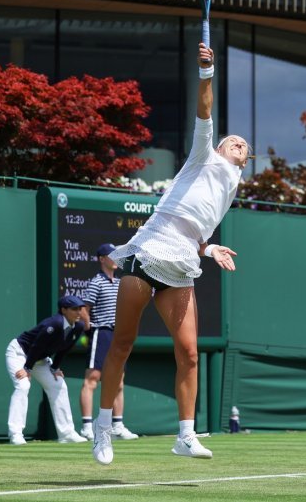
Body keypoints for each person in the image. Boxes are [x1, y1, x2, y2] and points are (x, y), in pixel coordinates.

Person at [92, 44, 250, 465]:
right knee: (122, 343)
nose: (235, 141)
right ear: (217, 149)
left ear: (243, 163)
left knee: (190, 353)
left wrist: (210, 246)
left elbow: (195, 229)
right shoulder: (204, 156)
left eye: (242, 145)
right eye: (231, 140)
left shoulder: (228, 191)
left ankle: (185, 435)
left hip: (182, 263)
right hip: (149, 251)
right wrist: (207, 72)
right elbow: (205, 111)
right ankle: (102, 428)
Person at [5, 295, 90, 445]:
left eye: (80, 308)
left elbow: (64, 349)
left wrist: (55, 367)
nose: (79, 312)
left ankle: (67, 434)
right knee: (23, 385)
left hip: (40, 358)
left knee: (59, 385)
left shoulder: (78, 326)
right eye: (74, 309)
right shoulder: (54, 324)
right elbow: (36, 346)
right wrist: (27, 368)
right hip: (20, 353)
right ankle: (15, 435)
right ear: (64, 310)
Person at [79, 243, 137, 442]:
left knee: (119, 382)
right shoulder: (96, 282)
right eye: (111, 255)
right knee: (93, 378)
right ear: (102, 259)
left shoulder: (121, 282)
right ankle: (87, 427)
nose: (115, 258)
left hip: (118, 334)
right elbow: (84, 308)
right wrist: (89, 329)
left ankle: (117, 425)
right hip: (101, 332)